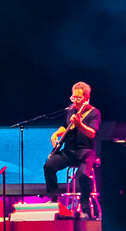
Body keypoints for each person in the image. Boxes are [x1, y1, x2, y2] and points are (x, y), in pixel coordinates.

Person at [42, 83, 99, 217]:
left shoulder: (94, 112)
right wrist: (56, 133)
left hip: (86, 151)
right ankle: (54, 199)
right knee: (48, 166)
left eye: (78, 98)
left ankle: (85, 209)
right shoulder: (71, 110)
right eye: (73, 98)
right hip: (69, 151)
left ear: (86, 97)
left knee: (83, 175)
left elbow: (92, 133)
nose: (75, 100)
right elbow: (65, 127)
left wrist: (79, 124)